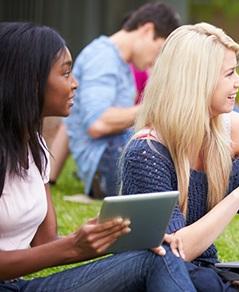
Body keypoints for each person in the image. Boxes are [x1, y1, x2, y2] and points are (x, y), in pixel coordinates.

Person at [0, 22, 195, 291]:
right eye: (65, 73)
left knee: (156, 253)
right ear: (30, 82)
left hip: (17, 284)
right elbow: (59, 250)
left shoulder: (35, 148)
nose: (75, 83)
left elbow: (45, 244)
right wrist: (71, 248)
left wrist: (110, 236)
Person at [120, 22, 239, 290]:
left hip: (207, 272)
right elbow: (176, 252)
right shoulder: (146, 152)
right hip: (162, 278)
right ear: (196, 81)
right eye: (229, 74)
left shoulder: (235, 128)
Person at [65, 2, 180, 199]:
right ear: (147, 30)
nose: (156, 60)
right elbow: (97, 122)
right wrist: (157, 107)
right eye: (159, 49)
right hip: (105, 162)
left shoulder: (122, 62)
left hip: (114, 154)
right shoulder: (103, 56)